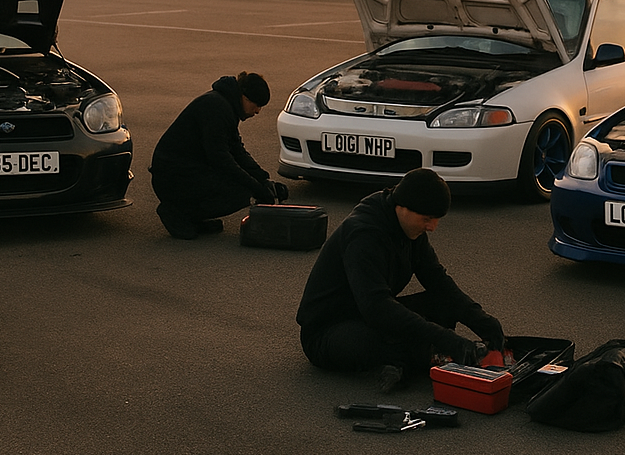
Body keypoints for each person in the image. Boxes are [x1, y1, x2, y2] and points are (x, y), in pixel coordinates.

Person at [296, 167, 505, 392]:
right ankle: (407, 359)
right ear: (403, 207)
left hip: (367, 314)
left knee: (442, 304)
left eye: (436, 220)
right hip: (328, 330)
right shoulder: (364, 235)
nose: (432, 227)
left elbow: (438, 281)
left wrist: (483, 322)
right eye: (426, 219)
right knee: (389, 340)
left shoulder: (410, 229)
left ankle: (402, 363)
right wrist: (446, 338)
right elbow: (376, 308)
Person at [150, 71, 286, 239]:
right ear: (244, 97)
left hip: (187, 172)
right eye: (256, 104)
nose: (257, 111)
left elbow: (237, 151)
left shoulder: (225, 106)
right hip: (173, 178)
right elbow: (221, 160)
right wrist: (256, 188)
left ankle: (192, 217)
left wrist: (264, 180)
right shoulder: (216, 108)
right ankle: (174, 211)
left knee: (240, 186)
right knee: (240, 193)